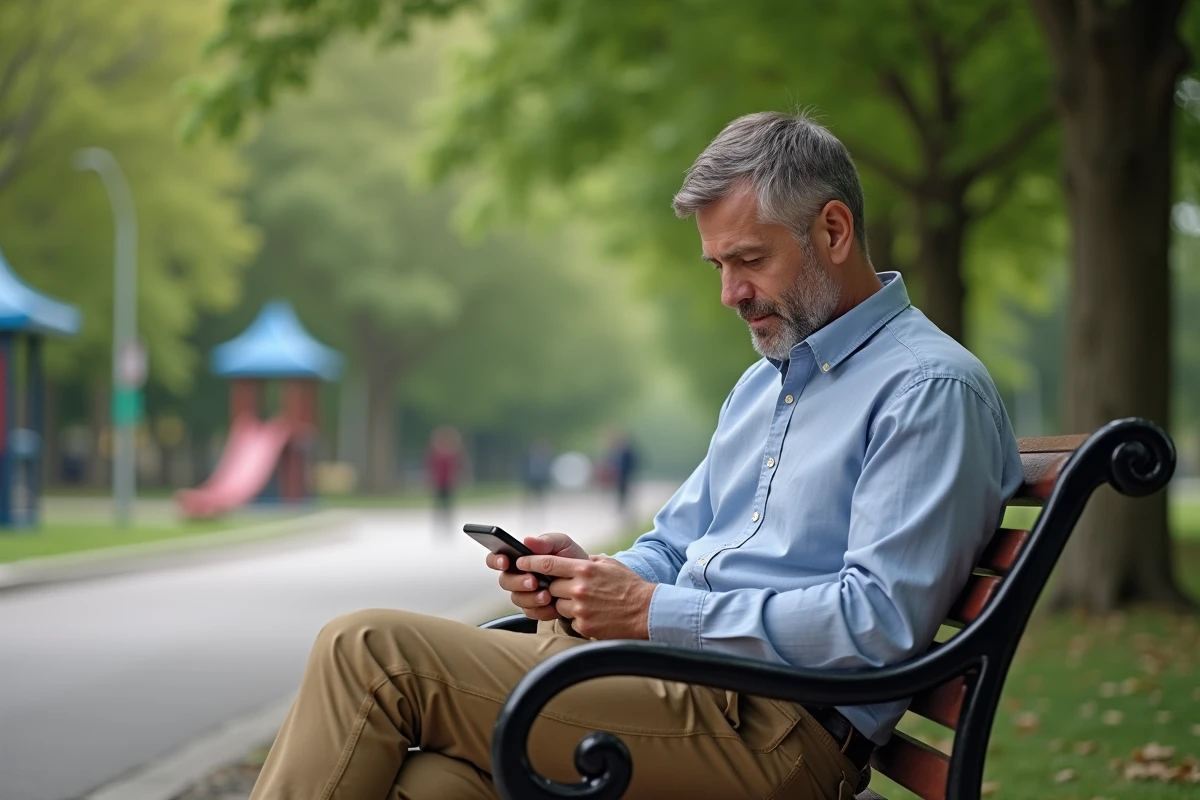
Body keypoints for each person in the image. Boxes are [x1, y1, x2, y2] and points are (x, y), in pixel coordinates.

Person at [248, 111, 1022, 800]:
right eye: (717, 266)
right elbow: (673, 546)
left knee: (367, 654)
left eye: (749, 260)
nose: (730, 293)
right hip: (678, 689)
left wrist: (652, 612)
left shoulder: (927, 390)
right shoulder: (764, 385)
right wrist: (589, 581)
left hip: (774, 732)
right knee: (432, 784)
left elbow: (876, 622)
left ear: (833, 230)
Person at [425, 425, 463, 535]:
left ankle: (447, 525)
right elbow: (431, 467)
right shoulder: (436, 453)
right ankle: (439, 525)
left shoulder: (453, 454)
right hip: (439, 482)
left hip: (448, 483)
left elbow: (457, 468)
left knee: (448, 505)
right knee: (439, 505)